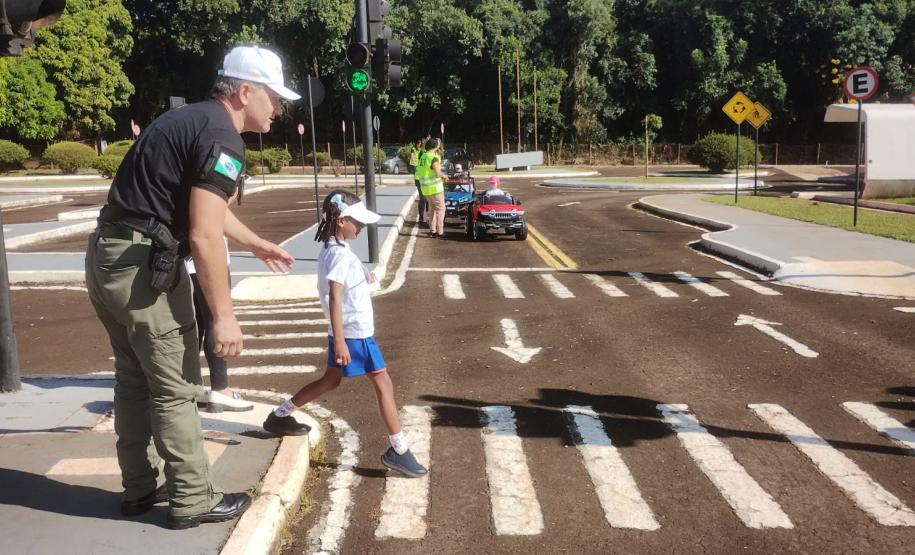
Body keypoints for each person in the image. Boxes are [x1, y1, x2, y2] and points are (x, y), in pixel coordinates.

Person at [85, 45, 297, 530]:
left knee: (133, 381)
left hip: (109, 257)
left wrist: (256, 242)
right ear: (245, 92)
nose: (279, 109)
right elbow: (202, 233)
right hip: (144, 269)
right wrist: (223, 315)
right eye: (274, 98)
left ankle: (140, 487)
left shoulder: (191, 119)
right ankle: (192, 499)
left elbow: (209, 212)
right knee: (176, 390)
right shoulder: (224, 136)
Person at [262, 190, 428, 479]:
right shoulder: (338, 255)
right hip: (355, 334)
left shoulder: (333, 246)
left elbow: (341, 269)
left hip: (346, 331)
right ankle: (399, 450)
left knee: (331, 380)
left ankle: (280, 415)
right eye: (357, 221)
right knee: (384, 385)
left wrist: (362, 271)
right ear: (340, 220)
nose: (361, 227)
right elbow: (336, 297)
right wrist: (340, 341)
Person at [187, 233, 253, 412]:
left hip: (184, 260)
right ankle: (221, 388)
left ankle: (192, 387)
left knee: (194, 325)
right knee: (213, 320)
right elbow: (217, 212)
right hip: (209, 258)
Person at [415, 137, 446, 238]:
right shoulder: (434, 157)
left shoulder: (423, 157)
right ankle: (440, 231)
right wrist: (444, 175)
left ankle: (432, 231)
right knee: (441, 209)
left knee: (431, 209)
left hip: (426, 189)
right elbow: (437, 173)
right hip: (435, 188)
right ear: (435, 146)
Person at [409, 140, 426, 226]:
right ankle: (421, 217)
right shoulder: (419, 152)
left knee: (425, 199)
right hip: (420, 178)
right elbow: (413, 160)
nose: (420, 144)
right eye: (419, 143)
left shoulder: (425, 153)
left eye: (421, 143)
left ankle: (424, 217)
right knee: (423, 198)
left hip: (422, 178)